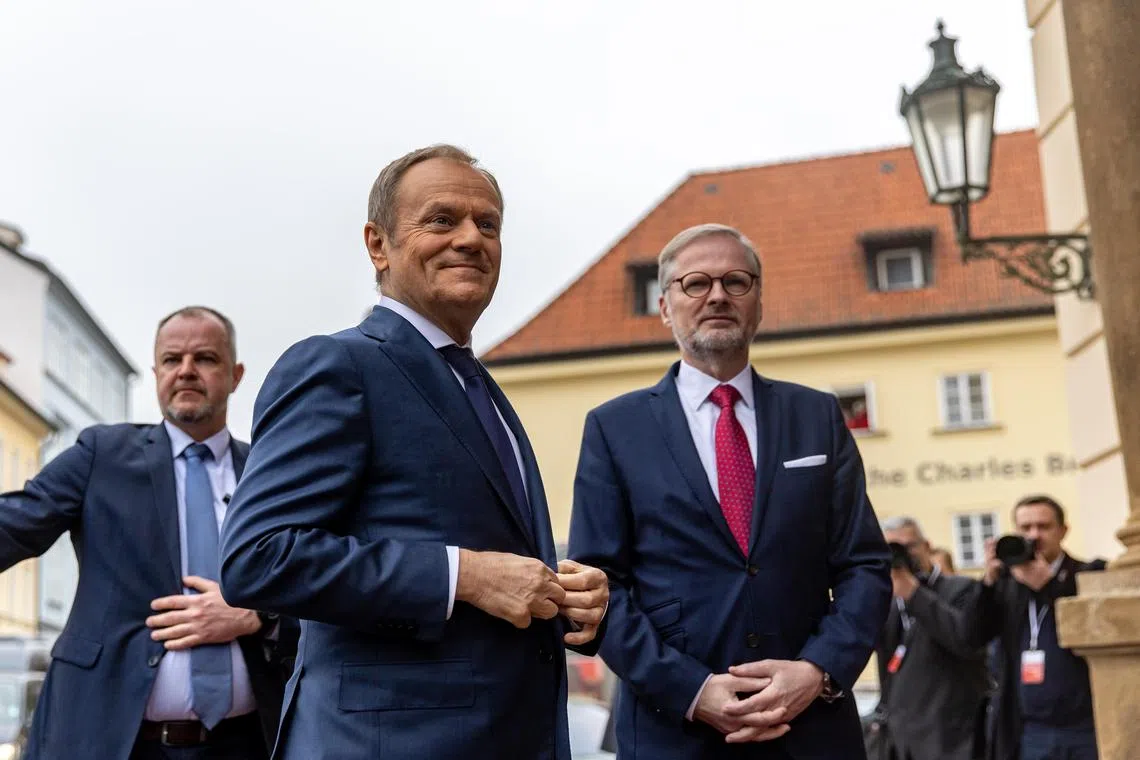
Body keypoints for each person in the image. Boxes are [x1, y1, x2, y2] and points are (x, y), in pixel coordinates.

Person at [219, 144, 610, 760]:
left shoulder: (480, 389)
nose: (470, 239)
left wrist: (565, 600)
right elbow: (257, 557)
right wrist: (465, 575)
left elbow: (496, 575)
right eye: (441, 220)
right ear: (378, 245)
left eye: (488, 225)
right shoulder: (339, 365)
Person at [567, 223, 891, 759]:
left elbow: (865, 565)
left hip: (811, 732)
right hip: (674, 733)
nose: (717, 295)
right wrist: (691, 691)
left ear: (758, 302)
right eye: (696, 284)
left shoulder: (816, 416)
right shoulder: (614, 429)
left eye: (736, 281)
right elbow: (599, 591)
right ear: (666, 307)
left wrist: (818, 671)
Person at [0, 307, 296, 759]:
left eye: (206, 359)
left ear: (235, 375)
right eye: (172, 359)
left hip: (246, 744)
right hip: (110, 740)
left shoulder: (270, 473)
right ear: (156, 371)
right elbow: (15, 523)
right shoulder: (102, 456)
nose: (186, 372)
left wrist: (257, 616)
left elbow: (320, 582)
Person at [969, 495, 1104, 760]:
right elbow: (971, 636)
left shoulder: (1090, 573)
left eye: (1043, 527)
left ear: (1063, 531)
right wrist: (988, 583)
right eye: (1025, 528)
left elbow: (1092, 629)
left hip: (1086, 726)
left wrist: (1049, 587)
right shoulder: (1008, 583)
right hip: (1030, 730)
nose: (1034, 536)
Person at [875, 517, 989, 760]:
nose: (901, 555)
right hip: (899, 737)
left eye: (908, 546)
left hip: (951, 737)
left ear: (927, 546)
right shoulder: (888, 600)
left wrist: (914, 593)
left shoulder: (962, 589)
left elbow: (965, 641)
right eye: (891, 549)